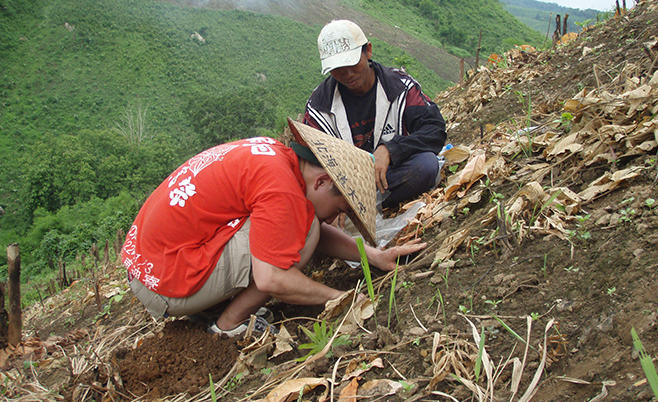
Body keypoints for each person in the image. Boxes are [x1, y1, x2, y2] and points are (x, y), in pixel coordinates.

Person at [121, 118, 426, 337]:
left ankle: (212, 306)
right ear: (322, 182)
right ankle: (229, 324)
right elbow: (270, 279)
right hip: (164, 283)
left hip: (149, 264)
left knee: (304, 227)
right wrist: (341, 298)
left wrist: (373, 256)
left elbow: (310, 230)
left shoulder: (276, 157)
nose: (336, 217)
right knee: (303, 231)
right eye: (340, 208)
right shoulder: (283, 191)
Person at [303, 19, 447, 208]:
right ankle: (347, 207)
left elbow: (434, 129)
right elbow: (309, 163)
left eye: (352, 62)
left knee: (426, 165)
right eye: (337, 68)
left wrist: (392, 149)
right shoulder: (319, 107)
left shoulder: (400, 88)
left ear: (368, 51)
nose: (347, 74)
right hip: (345, 189)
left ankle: (357, 209)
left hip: (390, 175)